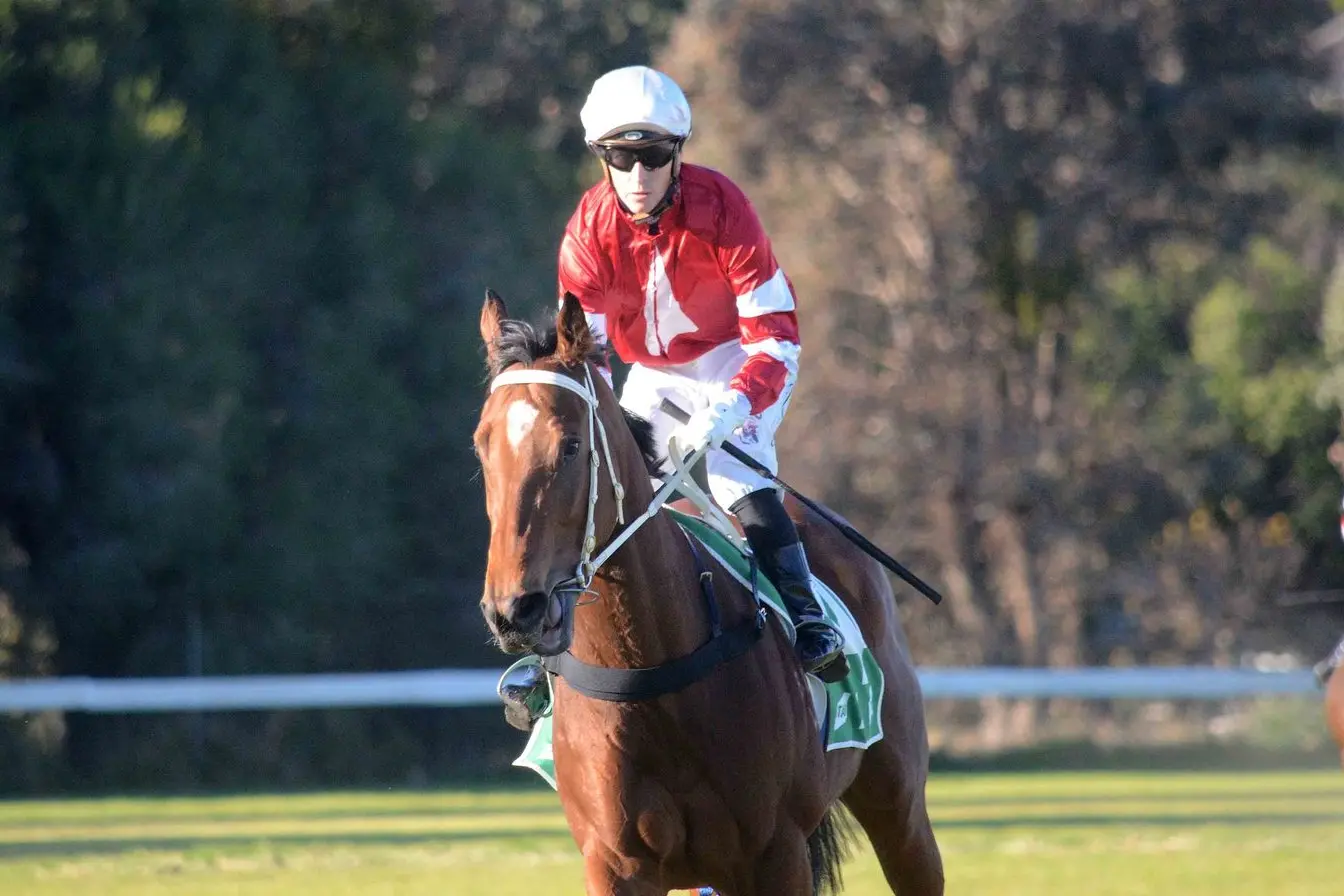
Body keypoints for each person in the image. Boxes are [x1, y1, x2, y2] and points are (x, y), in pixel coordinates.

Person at [500, 66, 845, 728]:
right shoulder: (588, 231)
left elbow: (775, 337)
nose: (638, 176)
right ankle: (549, 652)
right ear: (602, 159)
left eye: (653, 156)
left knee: (729, 468)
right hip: (653, 374)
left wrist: (732, 407)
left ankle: (809, 620)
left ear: (677, 154)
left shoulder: (724, 207)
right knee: (609, 490)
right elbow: (587, 359)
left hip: (740, 361)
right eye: (621, 159)